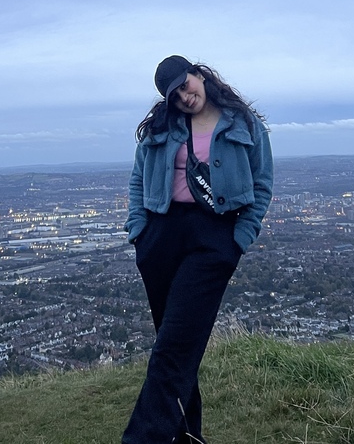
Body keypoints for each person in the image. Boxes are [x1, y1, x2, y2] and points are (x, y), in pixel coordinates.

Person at [121, 55, 273, 443]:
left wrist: (238, 239)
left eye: (186, 85)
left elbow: (262, 185)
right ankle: (188, 435)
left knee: (173, 347)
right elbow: (138, 179)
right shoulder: (162, 128)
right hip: (160, 235)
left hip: (213, 238)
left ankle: (145, 438)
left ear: (199, 75)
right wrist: (139, 231)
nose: (185, 97)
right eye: (175, 96)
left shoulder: (243, 123)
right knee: (175, 344)